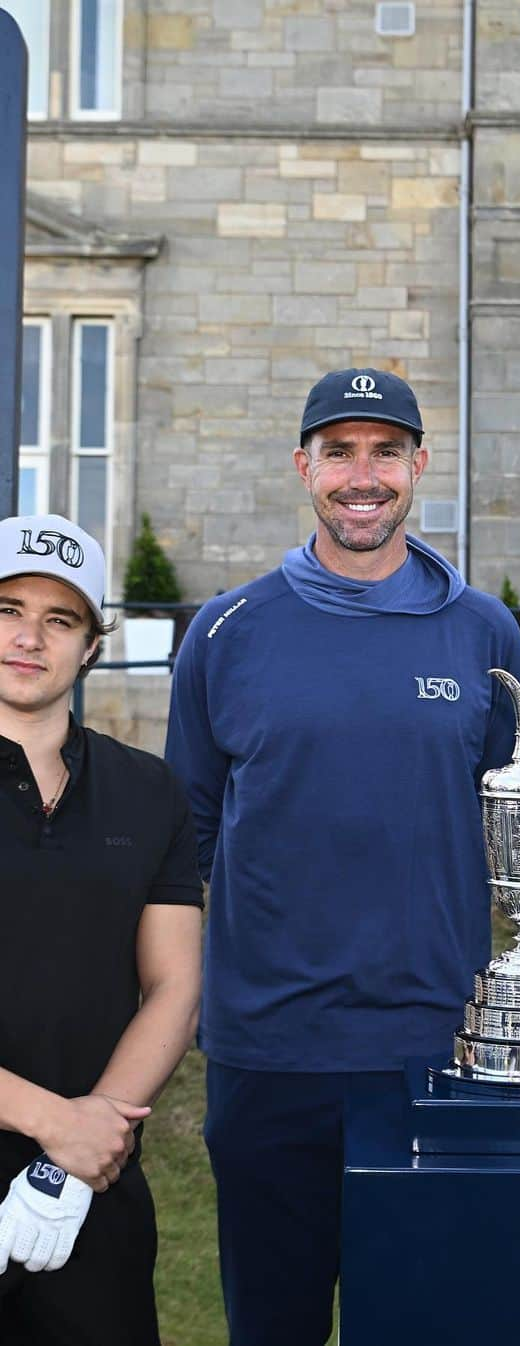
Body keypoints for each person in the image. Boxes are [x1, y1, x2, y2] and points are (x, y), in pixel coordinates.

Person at [165, 368, 520, 1346]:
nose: (360, 476)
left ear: (419, 465)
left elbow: (517, 834)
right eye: (338, 451)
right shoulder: (226, 632)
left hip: (429, 1050)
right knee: (272, 1326)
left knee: (418, 1323)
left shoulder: (485, 632)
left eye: (383, 451)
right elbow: (187, 836)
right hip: (267, 1055)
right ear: (303, 466)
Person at [0, 513, 202, 1346]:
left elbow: (175, 984)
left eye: (59, 619)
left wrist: (80, 1148)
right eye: (7, 610)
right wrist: (54, 1122)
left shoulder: (147, 790)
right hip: (73, 1138)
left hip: (91, 1183)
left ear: (91, 646)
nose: (28, 637)